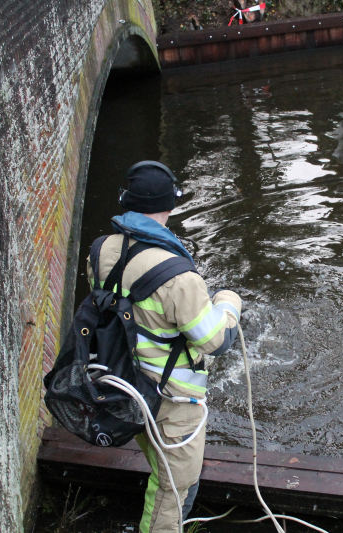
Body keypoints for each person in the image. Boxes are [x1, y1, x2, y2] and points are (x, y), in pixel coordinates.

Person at [87, 161, 242, 533]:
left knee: (163, 466)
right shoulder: (179, 277)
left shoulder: (99, 251)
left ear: (127, 201)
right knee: (174, 485)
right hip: (171, 400)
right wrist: (228, 305)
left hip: (122, 383)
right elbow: (215, 341)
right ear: (169, 207)